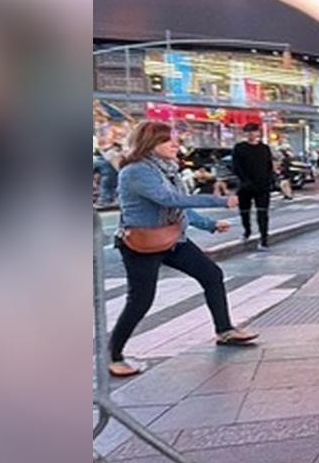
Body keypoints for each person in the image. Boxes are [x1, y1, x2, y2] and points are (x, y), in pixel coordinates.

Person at [108, 121, 257, 377]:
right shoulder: (136, 171)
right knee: (140, 301)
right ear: (150, 144)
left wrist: (209, 225)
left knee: (211, 274)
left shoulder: (168, 170)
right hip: (142, 243)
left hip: (172, 238)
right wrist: (220, 201)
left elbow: (179, 207)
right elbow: (170, 199)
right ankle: (114, 356)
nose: (176, 145)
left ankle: (225, 330)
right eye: (168, 140)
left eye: (175, 140)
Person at [232, 123, 276, 249]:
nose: (251, 134)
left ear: (258, 132)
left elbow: (269, 166)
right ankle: (247, 231)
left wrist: (269, 181)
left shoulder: (264, 148)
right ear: (244, 133)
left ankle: (264, 239)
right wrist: (244, 181)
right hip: (245, 186)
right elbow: (236, 167)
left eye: (254, 131)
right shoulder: (239, 148)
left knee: (262, 213)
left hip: (262, 186)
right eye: (248, 131)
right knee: (244, 211)